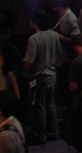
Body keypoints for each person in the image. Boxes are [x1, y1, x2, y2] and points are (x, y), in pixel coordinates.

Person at [24, 8, 61, 142]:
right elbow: (59, 56)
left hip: (39, 78)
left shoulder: (34, 39)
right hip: (53, 76)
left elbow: (28, 63)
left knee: (39, 108)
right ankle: (53, 133)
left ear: (35, 21)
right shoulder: (54, 35)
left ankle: (40, 135)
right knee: (51, 106)